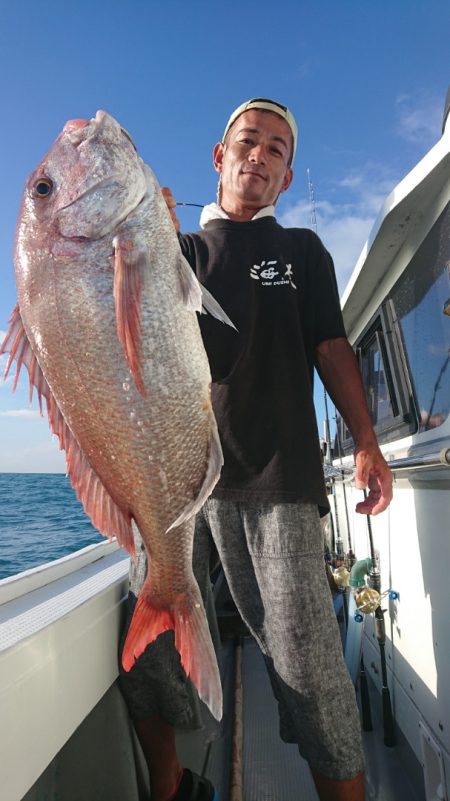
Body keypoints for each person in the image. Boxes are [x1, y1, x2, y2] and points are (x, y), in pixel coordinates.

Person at [119, 98, 393, 801]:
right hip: (182, 490)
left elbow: (331, 346)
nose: (260, 157)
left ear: (287, 172)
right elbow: (123, 329)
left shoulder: (303, 251)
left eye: (276, 149)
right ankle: (171, 783)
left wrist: (366, 439)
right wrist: (142, 233)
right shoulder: (176, 252)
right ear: (219, 155)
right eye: (249, 142)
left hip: (280, 485)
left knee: (311, 671)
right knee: (145, 642)